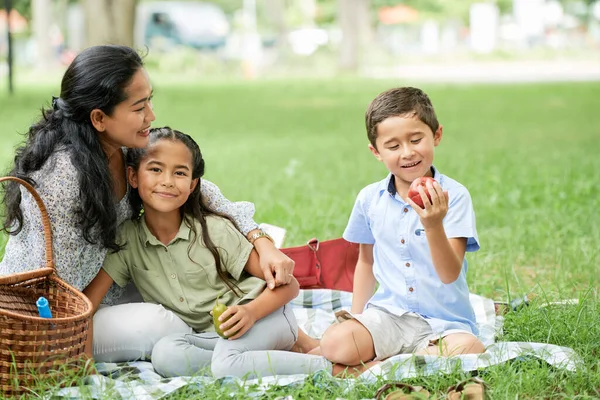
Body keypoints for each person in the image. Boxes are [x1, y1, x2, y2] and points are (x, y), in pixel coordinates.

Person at [0, 45, 294, 362]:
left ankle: (263, 334)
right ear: (99, 118)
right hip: (48, 319)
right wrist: (80, 363)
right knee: (163, 323)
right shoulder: (63, 181)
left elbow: (201, 192)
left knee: (209, 262)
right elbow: (62, 293)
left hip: (109, 289)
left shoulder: (122, 148)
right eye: (140, 106)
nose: (151, 116)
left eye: (150, 100)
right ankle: (229, 354)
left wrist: (262, 243)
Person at [83, 127, 331, 378]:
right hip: (213, 337)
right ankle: (267, 360)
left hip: (265, 318)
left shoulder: (214, 231)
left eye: (179, 173)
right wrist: (84, 358)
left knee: (225, 362)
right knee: (165, 355)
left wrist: (250, 312)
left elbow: (289, 286)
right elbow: (87, 304)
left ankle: (334, 368)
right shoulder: (127, 239)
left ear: (192, 185)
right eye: (155, 169)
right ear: (133, 176)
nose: (167, 181)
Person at [313, 87, 485, 376]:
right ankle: (408, 363)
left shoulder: (454, 196)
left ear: (437, 135)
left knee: (469, 348)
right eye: (393, 146)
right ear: (376, 152)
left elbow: (449, 273)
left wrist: (433, 225)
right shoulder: (370, 199)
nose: (407, 153)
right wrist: (358, 319)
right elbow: (365, 262)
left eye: (416, 139)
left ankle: (379, 366)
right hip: (389, 317)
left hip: (445, 325)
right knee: (335, 342)